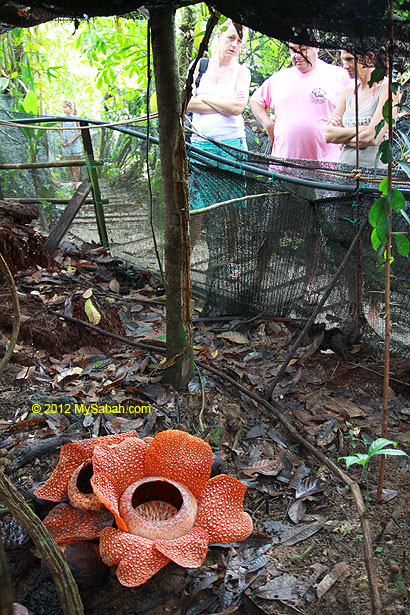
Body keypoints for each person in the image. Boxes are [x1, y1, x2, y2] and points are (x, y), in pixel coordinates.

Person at [186, 19, 251, 278]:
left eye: (239, 41)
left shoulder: (241, 72)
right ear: (218, 37)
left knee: (232, 209)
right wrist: (220, 101)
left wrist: (205, 98)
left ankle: (230, 260)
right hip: (201, 145)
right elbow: (187, 103)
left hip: (232, 146)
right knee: (196, 207)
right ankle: (185, 259)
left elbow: (237, 108)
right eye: (231, 38)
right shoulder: (199, 66)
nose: (235, 44)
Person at [250, 44, 350, 162]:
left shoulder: (338, 75)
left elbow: (358, 102)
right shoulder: (280, 78)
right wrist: (268, 124)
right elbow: (256, 101)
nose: (298, 55)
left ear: (316, 47)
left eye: (303, 50)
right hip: (283, 164)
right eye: (293, 50)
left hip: (325, 165)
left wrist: (345, 127)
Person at [325, 50, 398, 168]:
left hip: (373, 176)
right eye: (343, 60)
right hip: (344, 174)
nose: (345, 66)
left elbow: (372, 136)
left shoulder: (388, 87)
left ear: (369, 58)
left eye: (350, 60)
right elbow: (328, 134)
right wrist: (363, 129)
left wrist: (341, 138)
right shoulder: (348, 91)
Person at [60, 100, 82, 186]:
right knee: (69, 163)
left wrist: (71, 140)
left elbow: (80, 132)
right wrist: (62, 140)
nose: (63, 109)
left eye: (65, 107)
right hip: (66, 144)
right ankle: (73, 181)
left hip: (75, 144)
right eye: (63, 107)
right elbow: (61, 131)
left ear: (70, 108)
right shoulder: (62, 120)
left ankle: (77, 181)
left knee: (77, 163)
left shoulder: (76, 118)